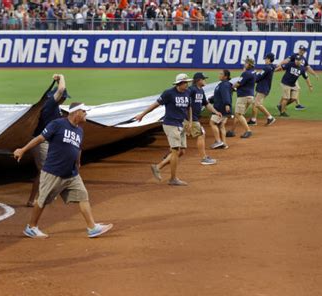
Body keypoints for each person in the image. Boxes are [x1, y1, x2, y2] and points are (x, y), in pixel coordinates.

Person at [14, 102, 113, 239]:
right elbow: (40, 138)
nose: (86, 114)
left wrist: (77, 162)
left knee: (83, 195)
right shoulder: (57, 124)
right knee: (42, 200)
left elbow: (77, 148)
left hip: (71, 173)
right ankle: (31, 227)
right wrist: (23, 150)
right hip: (53, 172)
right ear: (76, 112)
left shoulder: (80, 130)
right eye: (84, 112)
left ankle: (92, 228)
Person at [135, 73, 193, 186]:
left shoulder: (187, 92)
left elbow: (189, 107)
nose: (187, 84)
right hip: (170, 124)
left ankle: (158, 166)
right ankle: (173, 178)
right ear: (179, 83)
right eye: (185, 82)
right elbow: (155, 104)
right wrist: (142, 114)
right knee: (175, 150)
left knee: (182, 152)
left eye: (187, 82)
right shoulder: (169, 93)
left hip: (181, 124)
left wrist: (189, 122)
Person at [26, 74, 70, 207]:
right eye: (62, 98)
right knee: (45, 170)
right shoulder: (50, 104)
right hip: (41, 142)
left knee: (49, 169)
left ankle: (42, 196)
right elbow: (61, 89)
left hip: (49, 142)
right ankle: (34, 199)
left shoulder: (54, 107)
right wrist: (61, 77)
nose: (63, 100)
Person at [186, 72, 219, 165]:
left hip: (193, 118)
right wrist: (190, 119)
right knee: (201, 135)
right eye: (204, 79)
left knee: (180, 138)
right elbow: (185, 103)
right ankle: (204, 158)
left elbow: (206, 104)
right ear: (198, 80)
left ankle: (170, 154)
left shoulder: (200, 90)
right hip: (189, 118)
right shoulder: (191, 89)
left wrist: (215, 112)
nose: (205, 80)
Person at [277, 45, 319, 111]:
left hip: (295, 77)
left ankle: (283, 105)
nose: (301, 51)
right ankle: (294, 105)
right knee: (291, 91)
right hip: (290, 76)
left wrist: (314, 74)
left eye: (302, 50)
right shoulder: (294, 56)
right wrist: (280, 64)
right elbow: (287, 60)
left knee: (291, 92)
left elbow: (308, 67)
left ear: (304, 51)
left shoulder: (304, 59)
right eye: (300, 49)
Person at [229, 58, 256, 139]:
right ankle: (232, 131)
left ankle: (248, 130)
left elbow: (238, 84)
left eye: (246, 63)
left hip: (243, 96)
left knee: (238, 114)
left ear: (249, 64)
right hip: (250, 96)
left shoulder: (246, 73)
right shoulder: (253, 72)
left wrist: (230, 87)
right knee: (239, 114)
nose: (244, 64)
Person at [248, 52, 276, 126]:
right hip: (264, 87)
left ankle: (270, 117)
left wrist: (254, 75)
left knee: (257, 104)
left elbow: (258, 78)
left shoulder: (267, 67)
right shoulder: (271, 67)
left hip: (262, 88)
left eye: (266, 59)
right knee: (254, 103)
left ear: (269, 59)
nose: (265, 60)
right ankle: (253, 120)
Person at [209, 69, 233, 149]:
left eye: (221, 74)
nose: (219, 75)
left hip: (220, 108)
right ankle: (224, 144)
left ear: (225, 76)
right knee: (222, 125)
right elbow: (218, 96)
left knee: (212, 123)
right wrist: (210, 100)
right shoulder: (224, 84)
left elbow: (225, 95)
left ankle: (219, 141)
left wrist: (227, 104)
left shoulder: (224, 85)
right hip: (222, 107)